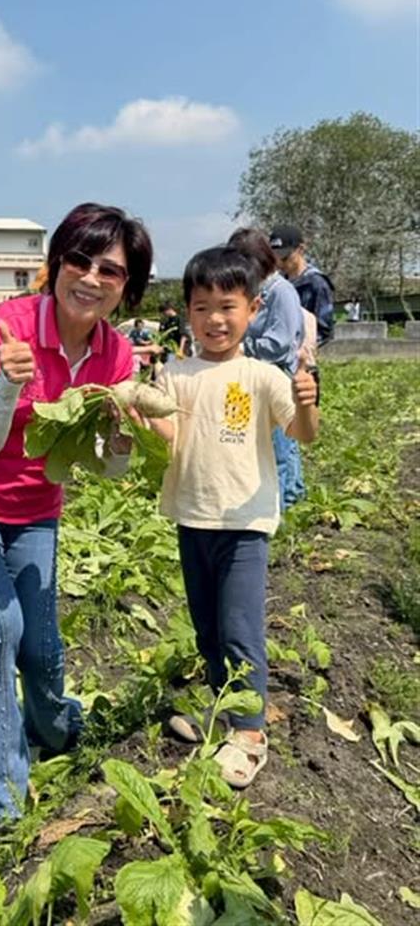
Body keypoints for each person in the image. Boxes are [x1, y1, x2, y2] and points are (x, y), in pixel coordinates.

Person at [0, 203, 153, 833]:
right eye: (80, 260)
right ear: (56, 265)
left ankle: (56, 728)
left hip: (35, 505)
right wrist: (6, 388)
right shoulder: (7, 329)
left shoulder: (116, 357)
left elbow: (106, 469)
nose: (92, 277)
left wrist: (127, 438)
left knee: (42, 644)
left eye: (111, 269)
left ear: (125, 286)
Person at [148, 246, 318, 788]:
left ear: (253, 308)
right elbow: (171, 439)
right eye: (201, 308)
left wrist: (307, 400)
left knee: (240, 628)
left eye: (227, 306)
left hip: (244, 522)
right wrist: (138, 409)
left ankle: (249, 732)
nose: (214, 320)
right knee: (207, 629)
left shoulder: (261, 376)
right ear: (188, 311)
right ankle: (224, 710)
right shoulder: (175, 374)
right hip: (191, 517)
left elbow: (302, 433)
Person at [228, 227, 307, 510]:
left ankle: (283, 505)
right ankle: (292, 493)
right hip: (255, 375)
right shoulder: (256, 291)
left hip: (276, 377)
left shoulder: (280, 292)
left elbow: (280, 343)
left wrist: (242, 347)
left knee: (279, 446)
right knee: (274, 441)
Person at [269, 225, 335, 345]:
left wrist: (300, 349)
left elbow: (324, 330)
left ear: (300, 249)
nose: (279, 262)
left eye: (284, 257)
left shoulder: (316, 283)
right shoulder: (275, 283)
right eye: (275, 257)